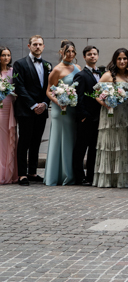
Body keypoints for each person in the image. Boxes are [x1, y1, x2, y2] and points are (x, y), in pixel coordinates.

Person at [94, 48, 128, 188]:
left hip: (126, 115)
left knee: (124, 145)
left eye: (125, 58)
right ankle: (109, 179)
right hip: (111, 115)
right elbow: (96, 94)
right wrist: (105, 104)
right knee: (111, 144)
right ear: (115, 60)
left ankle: (124, 178)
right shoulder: (107, 75)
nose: (122, 61)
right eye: (119, 59)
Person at [13, 35, 52, 185]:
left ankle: (33, 172)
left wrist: (44, 103)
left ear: (43, 46)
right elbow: (19, 87)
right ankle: (22, 174)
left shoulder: (48, 65)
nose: (37, 47)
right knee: (24, 141)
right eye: (35, 44)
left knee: (36, 142)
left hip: (42, 109)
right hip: (26, 110)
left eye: (40, 44)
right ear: (29, 46)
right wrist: (33, 105)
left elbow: (50, 87)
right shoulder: (20, 64)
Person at [44, 40, 81, 186]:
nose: (70, 54)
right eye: (67, 52)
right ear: (61, 52)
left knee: (71, 140)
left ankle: (71, 173)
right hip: (60, 109)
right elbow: (48, 91)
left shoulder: (78, 68)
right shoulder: (57, 70)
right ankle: (59, 175)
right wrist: (58, 102)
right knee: (61, 140)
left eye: (72, 51)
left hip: (73, 108)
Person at [73, 45, 104, 186]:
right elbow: (77, 98)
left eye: (95, 54)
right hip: (86, 118)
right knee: (80, 148)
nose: (92, 56)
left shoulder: (102, 74)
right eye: (89, 54)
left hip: (99, 118)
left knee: (94, 149)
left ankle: (91, 176)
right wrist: (83, 116)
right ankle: (79, 177)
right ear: (84, 57)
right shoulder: (81, 75)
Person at [0, 46, 18, 185]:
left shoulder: (13, 71)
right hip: (0, 109)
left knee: (11, 138)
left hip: (11, 109)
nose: (6, 58)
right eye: (3, 55)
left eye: (8, 55)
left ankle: (9, 173)